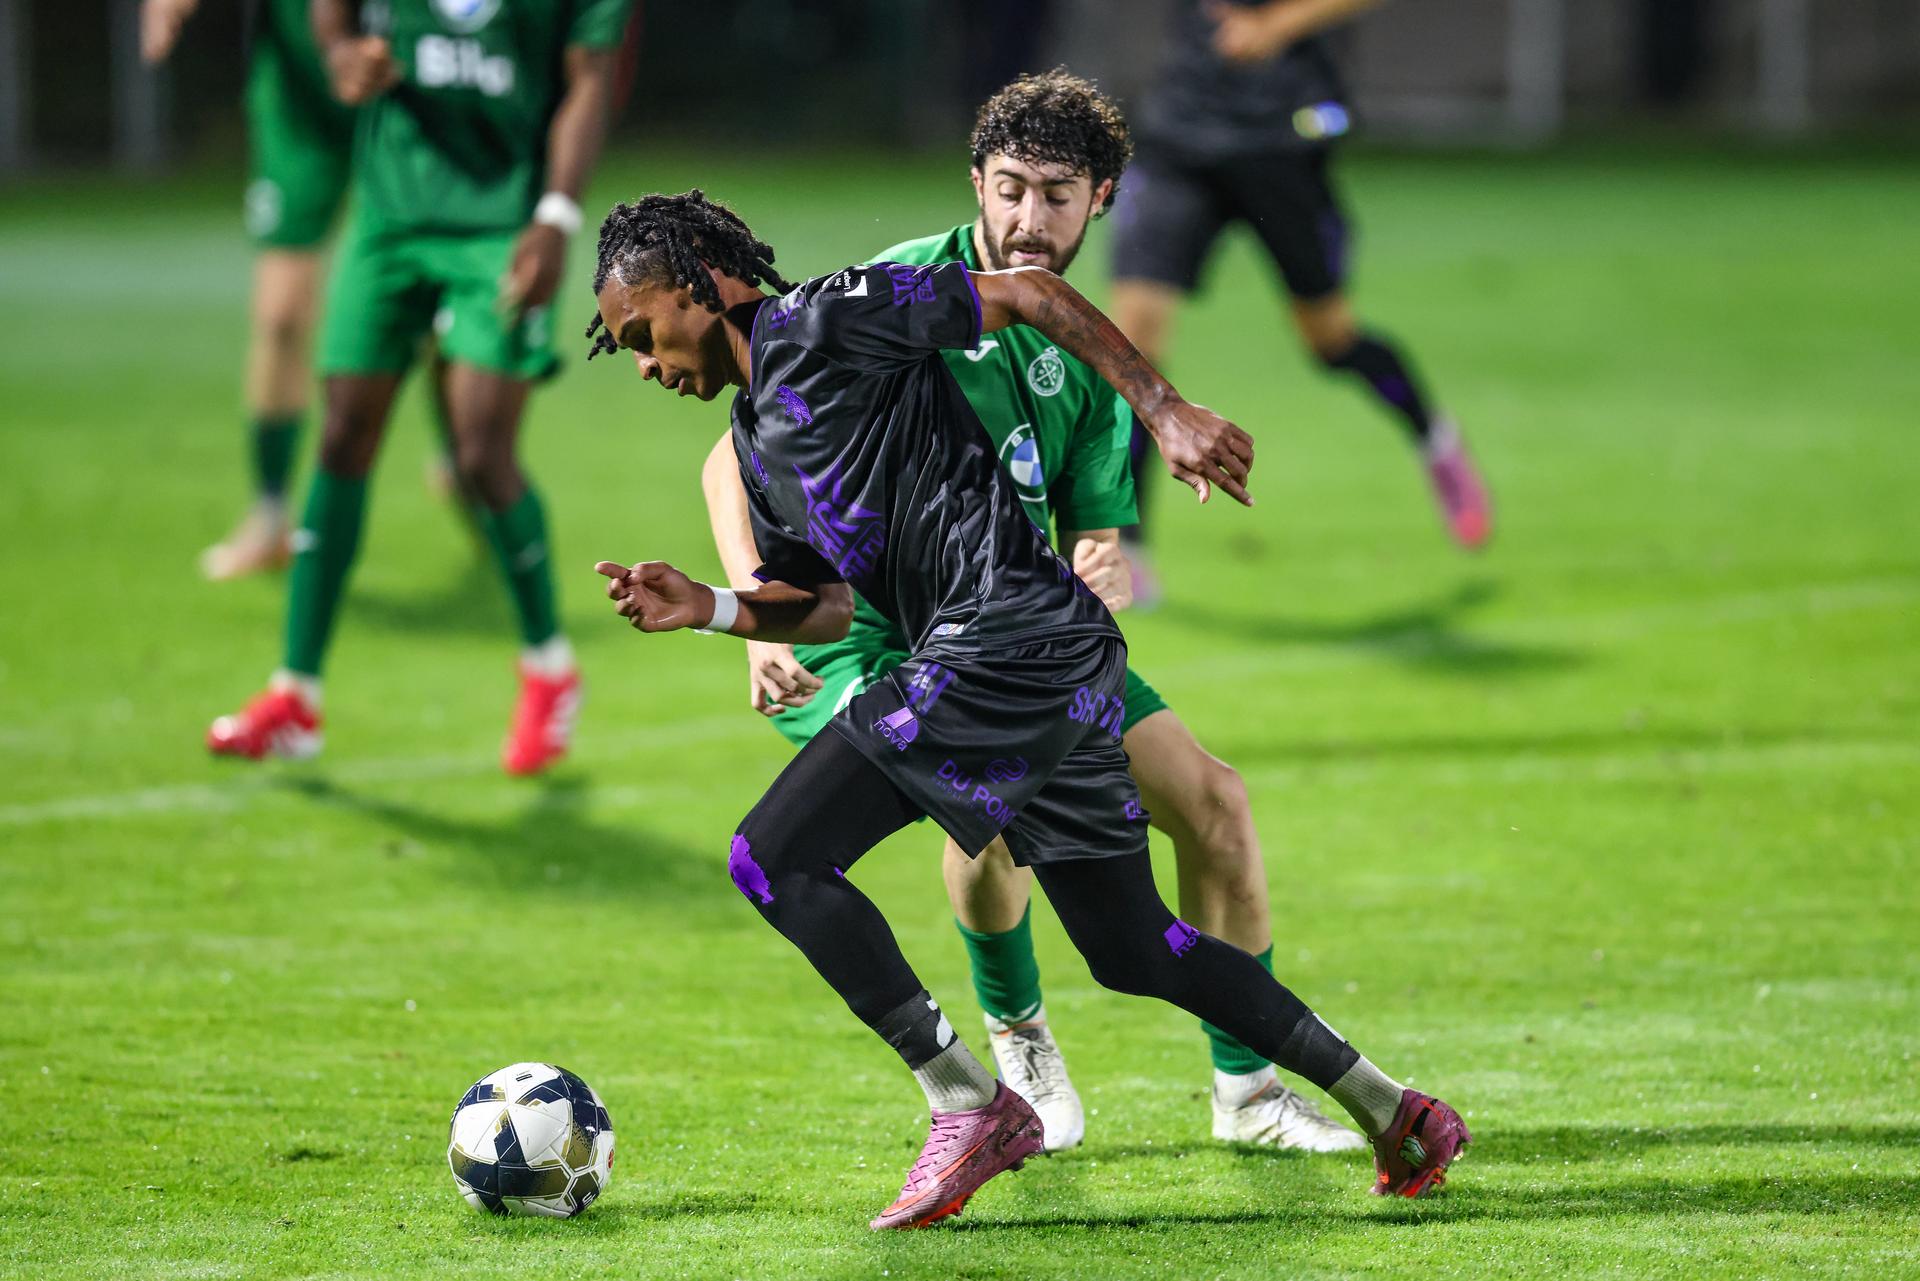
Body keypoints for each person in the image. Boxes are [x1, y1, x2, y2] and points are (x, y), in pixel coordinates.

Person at [585, 189, 1468, 1228]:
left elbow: (1035, 294)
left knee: (770, 857)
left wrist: (1163, 409)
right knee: (1135, 948)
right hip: (1049, 658)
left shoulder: (824, 318)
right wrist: (714, 607)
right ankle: (1396, 1110)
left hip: (1006, 639)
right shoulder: (758, 441)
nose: (644, 363)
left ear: (703, 281)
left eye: (643, 331)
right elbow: (837, 606)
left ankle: (968, 1100)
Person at [700, 71, 1359, 1155]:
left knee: (1218, 808)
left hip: (1013, 629)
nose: (1027, 219)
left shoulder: (1093, 352)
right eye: (1009, 189)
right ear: (976, 181)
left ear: (1101, 200)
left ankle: (1249, 1097)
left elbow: (1091, 523)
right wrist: (751, 610)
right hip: (875, 635)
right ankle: (1018, 1054)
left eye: (1058, 195)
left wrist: (1103, 555)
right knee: (981, 809)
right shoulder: (900, 287)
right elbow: (735, 447)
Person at [206, 0, 631, 773]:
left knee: (479, 450)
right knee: (341, 431)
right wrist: (337, 49)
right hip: (391, 212)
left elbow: (588, 81)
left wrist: (558, 216)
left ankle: (549, 667)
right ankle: (295, 693)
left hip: (501, 220)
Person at [1110, 0, 1492, 579]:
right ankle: (1126, 545)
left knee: (1332, 341)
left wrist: (1275, 25)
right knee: (1129, 352)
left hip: (1279, 137)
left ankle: (1434, 440)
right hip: (1180, 137)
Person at [141, 0, 356, 580]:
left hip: (401, 91)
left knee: (430, 313)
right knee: (281, 314)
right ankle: (269, 514)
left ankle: (468, 470)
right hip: (300, 99)